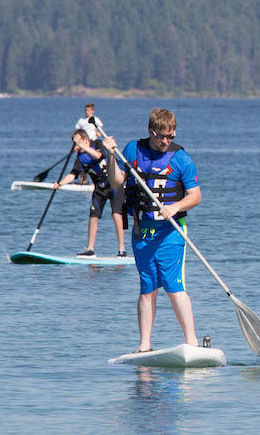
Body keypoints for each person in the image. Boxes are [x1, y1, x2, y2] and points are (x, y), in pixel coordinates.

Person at [108, 108, 202, 352]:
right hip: (142, 232)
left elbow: (195, 196)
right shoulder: (132, 150)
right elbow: (116, 181)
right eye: (161, 136)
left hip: (171, 232)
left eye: (170, 136)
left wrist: (176, 206)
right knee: (147, 289)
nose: (166, 141)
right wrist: (110, 155)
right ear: (151, 131)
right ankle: (144, 346)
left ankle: (192, 342)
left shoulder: (181, 159)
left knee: (174, 286)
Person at [54, 127, 127, 257]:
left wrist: (83, 146)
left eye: (77, 143)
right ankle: (90, 249)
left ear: (86, 140)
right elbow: (73, 174)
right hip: (99, 189)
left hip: (115, 186)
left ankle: (122, 250)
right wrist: (60, 183)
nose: (76, 147)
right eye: (75, 144)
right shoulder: (80, 158)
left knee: (116, 214)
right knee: (93, 216)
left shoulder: (98, 144)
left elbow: (98, 155)